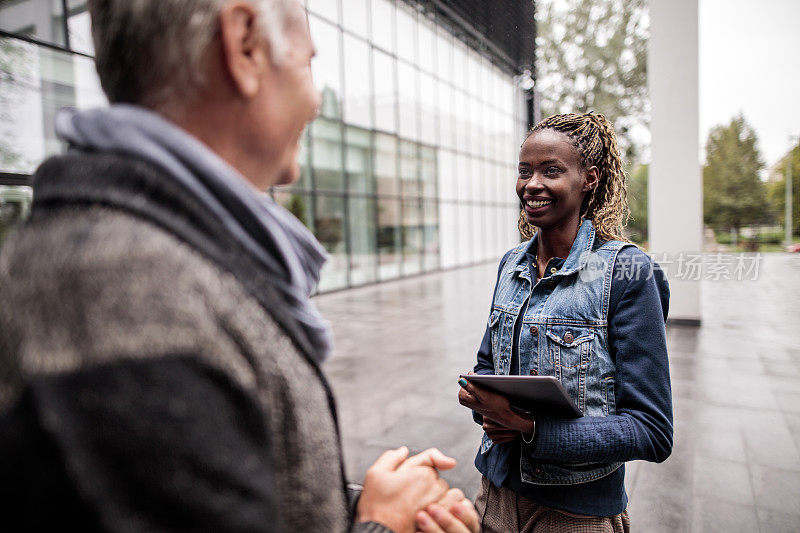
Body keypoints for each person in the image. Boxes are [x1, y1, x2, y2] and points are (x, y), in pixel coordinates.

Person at [0, 1, 479, 532]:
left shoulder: (148, 256)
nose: (316, 100)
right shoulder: (134, 295)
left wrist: (354, 505)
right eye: (307, 62)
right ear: (245, 42)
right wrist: (382, 523)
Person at [457, 112, 673, 532]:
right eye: (525, 171)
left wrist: (531, 428)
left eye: (550, 170)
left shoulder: (627, 272)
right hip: (494, 496)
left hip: (575, 512)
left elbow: (652, 431)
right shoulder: (511, 263)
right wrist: (485, 407)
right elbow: (486, 368)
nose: (532, 184)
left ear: (588, 179)